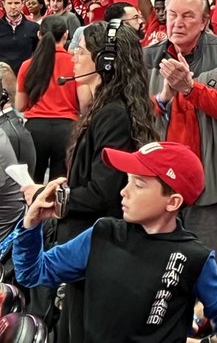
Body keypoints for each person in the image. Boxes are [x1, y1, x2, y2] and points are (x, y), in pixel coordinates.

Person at [14, 141, 217, 343]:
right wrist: (30, 226)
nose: (124, 191)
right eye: (128, 181)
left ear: (173, 202)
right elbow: (33, 272)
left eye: (138, 184)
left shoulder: (194, 257)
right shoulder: (103, 233)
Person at [57, 20, 161, 342]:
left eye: (83, 50)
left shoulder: (114, 114)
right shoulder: (107, 107)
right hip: (92, 244)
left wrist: (56, 197)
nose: (74, 54)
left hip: (95, 245)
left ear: (105, 61)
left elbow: (104, 192)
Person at [144, 0, 217, 268]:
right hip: (159, 182)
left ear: (204, 21)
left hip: (211, 184)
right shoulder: (147, 56)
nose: (177, 22)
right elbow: (135, 117)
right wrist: (162, 99)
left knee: (202, 268)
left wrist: (190, 89)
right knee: (155, 267)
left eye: (188, 16)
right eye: (172, 15)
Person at [15, 15, 78, 181]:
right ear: (66, 35)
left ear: (39, 35)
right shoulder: (76, 63)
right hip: (67, 128)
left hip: (36, 129)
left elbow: (20, 105)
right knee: (59, 184)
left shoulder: (28, 65)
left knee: (31, 182)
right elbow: (84, 101)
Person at [0, 0, 38, 72]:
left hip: (24, 76)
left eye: (16, 3)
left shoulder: (34, 28)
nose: (13, 7)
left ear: (22, 4)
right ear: (3, 4)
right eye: (9, 3)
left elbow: (38, 54)